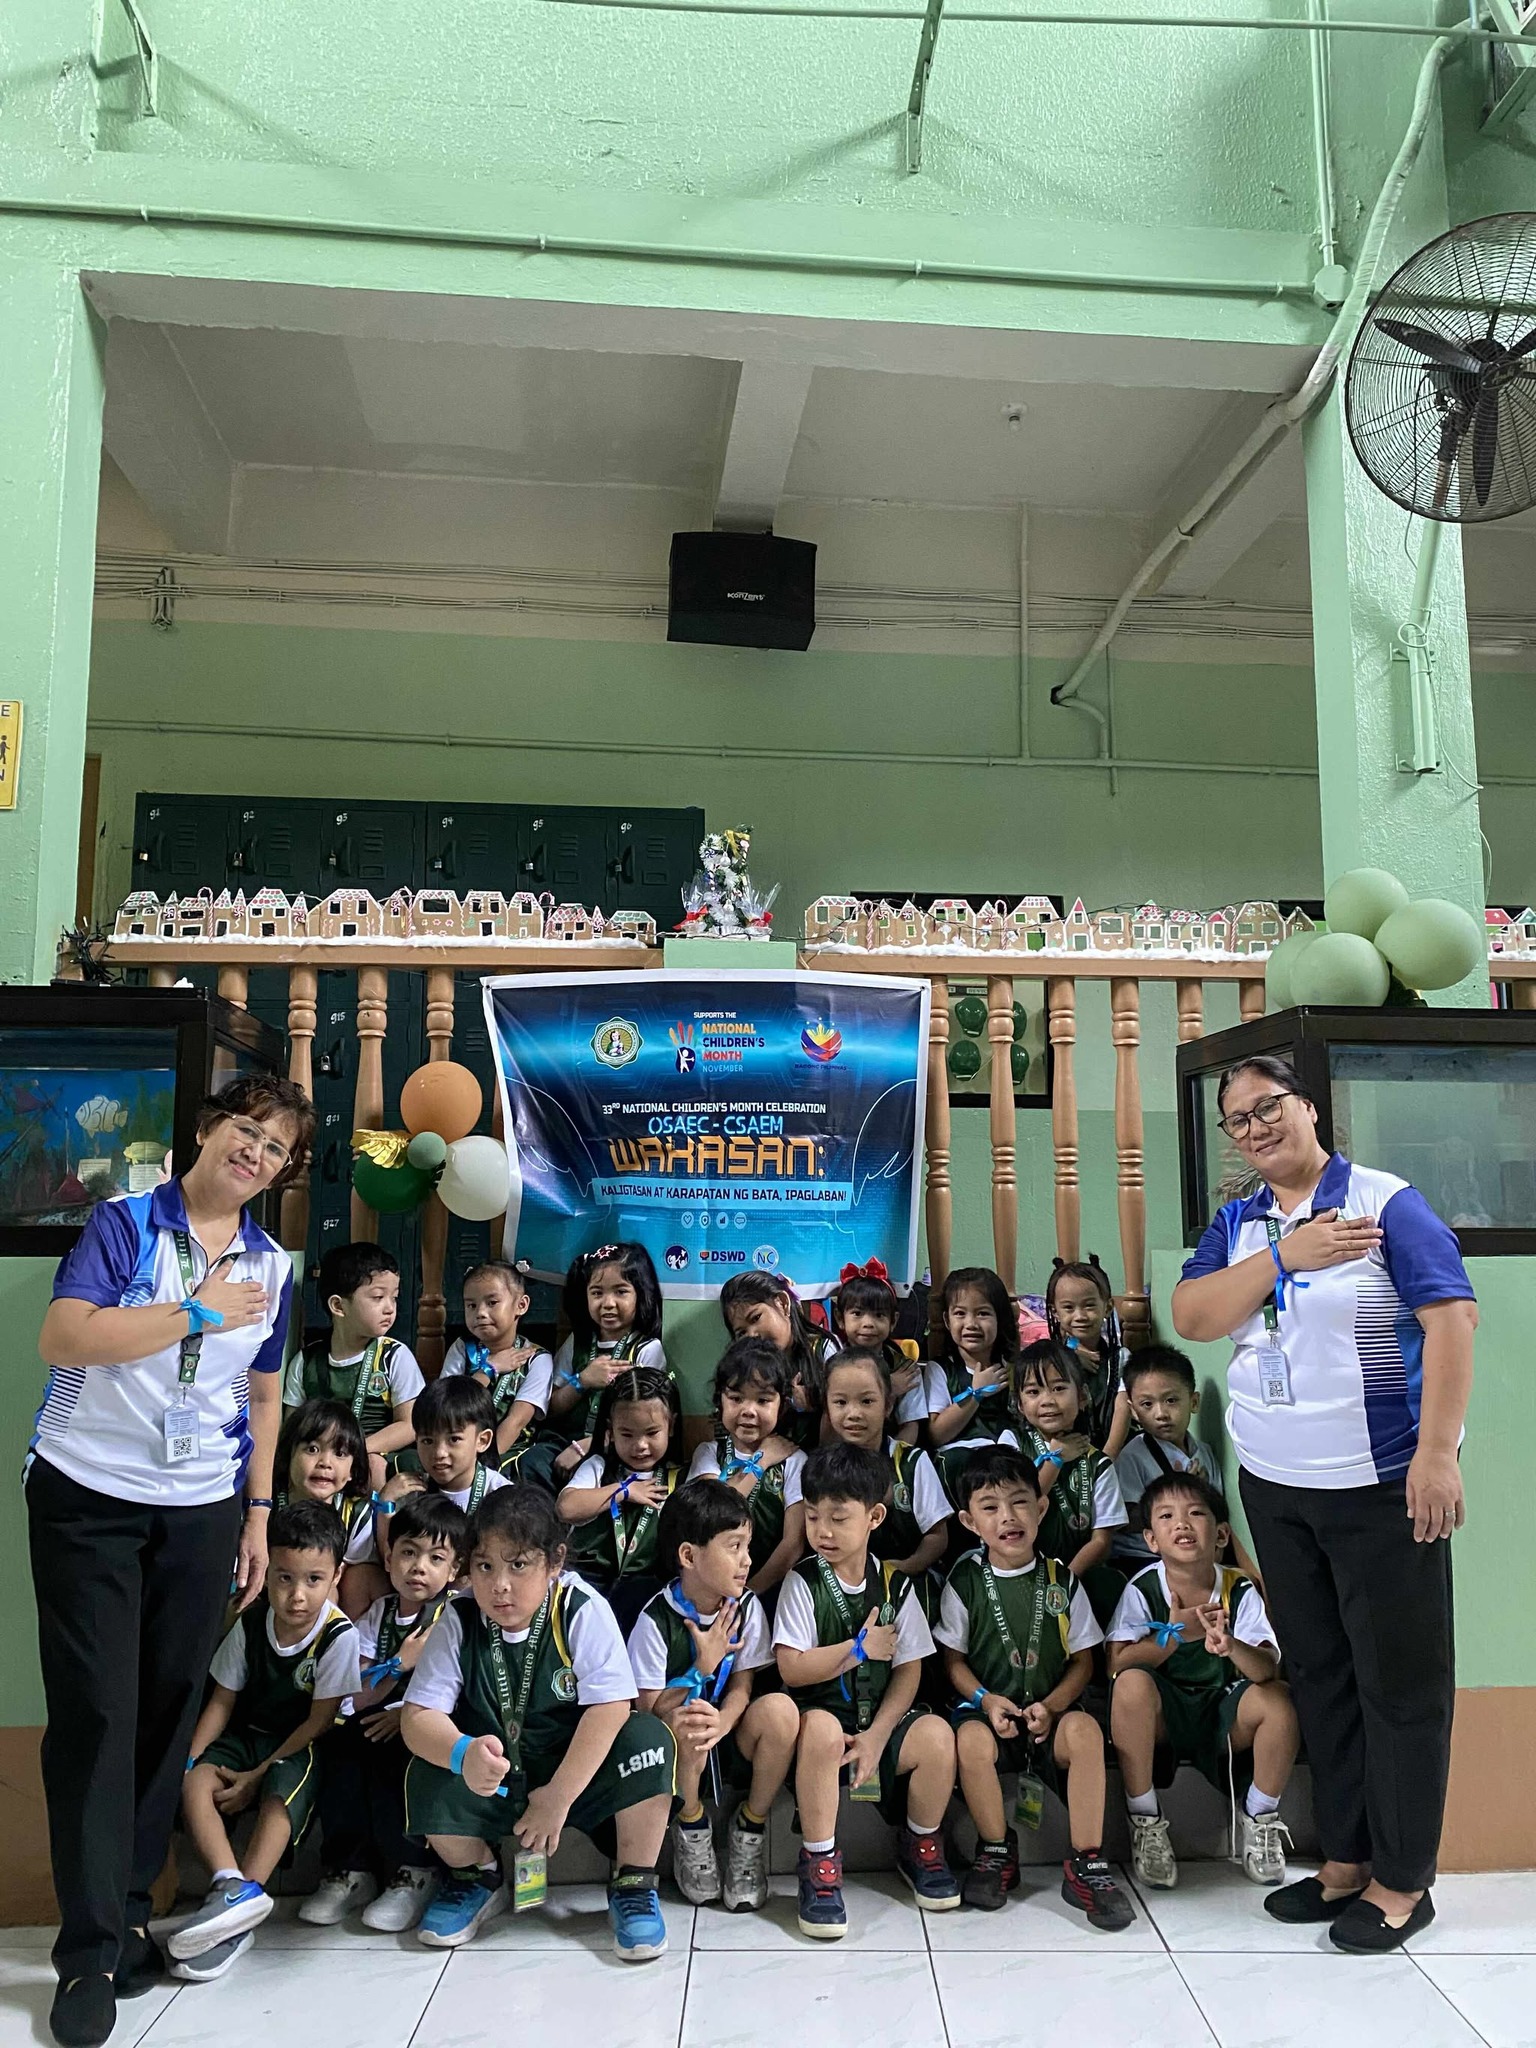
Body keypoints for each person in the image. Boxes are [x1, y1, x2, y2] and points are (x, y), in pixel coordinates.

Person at [29, 1072, 313, 2048]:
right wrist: (195, 1312)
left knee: (163, 1713)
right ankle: (85, 1950)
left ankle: (128, 1921)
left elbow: (265, 1398)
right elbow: (65, 1334)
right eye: (247, 1131)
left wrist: (258, 1515)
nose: (256, 1154)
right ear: (207, 1128)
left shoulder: (272, 1265)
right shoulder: (124, 1223)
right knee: (97, 1714)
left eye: (276, 1149)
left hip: (201, 1508)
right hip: (88, 1495)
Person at [1172, 1051, 1477, 1953]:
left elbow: (1452, 1322)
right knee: (1321, 1676)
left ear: (1309, 1106)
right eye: (1239, 1119)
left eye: (1269, 1106)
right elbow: (1194, 1315)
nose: (1257, 1127)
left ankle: (1403, 1880)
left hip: (1380, 1485)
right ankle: (1344, 1859)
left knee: (1401, 1686)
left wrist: (1437, 1456)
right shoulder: (1241, 1222)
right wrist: (1283, 1256)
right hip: (1277, 1487)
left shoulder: (1387, 1204)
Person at [400, 1487, 675, 1960]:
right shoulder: (459, 1617)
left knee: (649, 1740)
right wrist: (463, 1754)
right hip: (495, 1775)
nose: (499, 1585)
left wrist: (559, 1796)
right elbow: (417, 1716)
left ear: (555, 1562)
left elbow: (612, 1706)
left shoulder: (580, 1607)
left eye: (518, 1565)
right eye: (485, 1566)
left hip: (575, 1773)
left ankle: (633, 1882)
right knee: (426, 1765)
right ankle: (476, 1876)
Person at [935, 1446, 1133, 1928]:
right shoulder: (965, 1579)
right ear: (969, 1521)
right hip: (988, 1712)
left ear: (1041, 1508)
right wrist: (985, 1700)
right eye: (990, 1507)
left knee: (1086, 1733)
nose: (1008, 1517)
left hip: (1052, 1713)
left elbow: (1084, 1661)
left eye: (1020, 1502)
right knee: (969, 1740)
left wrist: (1054, 1705)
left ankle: (1086, 1862)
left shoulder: (1061, 1579)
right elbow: (953, 1662)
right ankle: (996, 1849)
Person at [168, 1501, 362, 1982]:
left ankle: (242, 1910)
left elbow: (318, 1722)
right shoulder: (252, 1623)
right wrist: (190, 1760)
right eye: (284, 1578)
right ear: (267, 1571)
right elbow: (222, 1702)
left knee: (280, 1797)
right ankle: (229, 1886)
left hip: (300, 1745)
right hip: (247, 1736)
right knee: (195, 1781)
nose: (297, 1595)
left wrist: (255, 1777)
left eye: (313, 1580)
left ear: (336, 1576)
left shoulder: (338, 1636)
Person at [773, 1444, 961, 1938]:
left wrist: (878, 1735)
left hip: (879, 1722)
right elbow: (792, 1667)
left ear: (874, 1517)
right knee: (820, 1730)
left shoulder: (895, 1584)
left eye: (838, 1518)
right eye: (813, 1517)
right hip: (824, 1723)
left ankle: (921, 1844)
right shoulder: (802, 1581)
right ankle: (819, 1862)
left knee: (937, 1737)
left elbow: (909, 1670)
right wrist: (857, 1650)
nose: (823, 1531)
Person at [1107, 1472, 1297, 1893]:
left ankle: (1260, 1816)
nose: (1182, 1524)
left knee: (1279, 1701)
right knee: (1131, 1685)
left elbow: (1267, 1668)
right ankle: (1145, 1819)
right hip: (1166, 1715)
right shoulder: (1143, 1587)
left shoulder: (1238, 1587)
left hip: (1223, 1712)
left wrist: (1231, 1646)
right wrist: (1174, 1635)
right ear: (1151, 1539)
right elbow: (1116, 1664)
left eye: (1195, 1513)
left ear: (1222, 1534)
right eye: (1166, 1516)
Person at [627, 1479, 800, 1909]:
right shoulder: (655, 1619)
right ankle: (691, 1826)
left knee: (780, 1711)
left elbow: (742, 1686)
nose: (747, 1560)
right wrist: (699, 1670)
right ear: (689, 1556)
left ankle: (750, 1828)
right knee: (690, 1720)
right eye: (734, 1547)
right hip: (677, 1747)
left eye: (747, 1546)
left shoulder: (746, 1607)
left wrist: (723, 1722)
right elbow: (649, 1712)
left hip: (728, 1732)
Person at [303, 1491, 467, 1933]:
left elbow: (461, 1692)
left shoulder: (455, 1614)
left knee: (403, 1751)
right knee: (340, 1742)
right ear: (389, 1557)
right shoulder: (380, 1612)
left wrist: (407, 1716)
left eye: (436, 1558)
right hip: (376, 1718)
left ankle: (416, 1870)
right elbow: (355, 1695)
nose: (419, 1567)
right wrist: (398, 1664)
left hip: (431, 1725)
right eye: (408, 1553)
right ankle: (351, 1870)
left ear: (455, 1569)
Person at [283, 1243, 423, 1488]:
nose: (390, 1308)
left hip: (373, 1457)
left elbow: (410, 1425)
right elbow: (292, 1429)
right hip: (322, 1461)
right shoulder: (306, 1362)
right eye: (378, 1297)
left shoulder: (394, 1356)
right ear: (338, 1306)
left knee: (375, 1465)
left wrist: (354, 1451)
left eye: (394, 1297)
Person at [556, 1366, 685, 1630]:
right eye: (627, 1434)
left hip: (646, 1591)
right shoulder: (598, 1467)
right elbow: (565, 1508)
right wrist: (623, 1491)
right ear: (610, 1431)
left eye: (652, 1433)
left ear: (670, 1426)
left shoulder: (679, 1477)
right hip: (589, 1582)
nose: (640, 1445)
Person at [1011, 1340, 1128, 1623]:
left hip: (1076, 1571)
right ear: (1020, 1404)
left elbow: (1101, 1541)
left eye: (1059, 1388)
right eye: (1033, 1391)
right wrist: (1056, 1459)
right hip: (1018, 1564)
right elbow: (1019, 1507)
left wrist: (1064, 1582)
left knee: (1108, 1585)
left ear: (1083, 1396)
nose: (1047, 1400)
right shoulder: (1011, 1444)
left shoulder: (1099, 1465)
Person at [821, 1349, 950, 1592]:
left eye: (867, 1401)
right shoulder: (821, 1469)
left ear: (888, 1405)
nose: (854, 1414)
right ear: (827, 1408)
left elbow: (937, 1536)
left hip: (908, 1581)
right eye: (840, 1402)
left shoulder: (912, 1462)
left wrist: (901, 1569)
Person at [687, 1339, 807, 1595]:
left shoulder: (794, 1461)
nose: (748, 1411)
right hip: (711, 1589)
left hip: (770, 1590)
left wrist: (749, 1594)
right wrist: (761, 1461)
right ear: (720, 1400)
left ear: (782, 1406)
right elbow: (709, 1515)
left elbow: (792, 1544)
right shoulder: (708, 1454)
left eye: (763, 1400)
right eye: (736, 1398)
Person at [542, 1244, 668, 1480]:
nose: (608, 1303)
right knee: (534, 1461)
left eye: (620, 1292)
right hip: (564, 1441)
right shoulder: (577, 1342)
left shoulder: (647, 1349)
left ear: (641, 1294)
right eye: (597, 1293)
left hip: (619, 1447)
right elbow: (551, 1407)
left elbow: (646, 1418)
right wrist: (582, 1381)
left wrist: (588, 1447)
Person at [1112, 1345, 1223, 1572]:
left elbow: (1218, 1509)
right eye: (1147, 1404)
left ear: (1193, 1402)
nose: (1161, 1414)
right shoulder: (1132, 1456)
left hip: (1192, 1553)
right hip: (1141, 1557)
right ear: (1133, 1411)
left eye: (1171, 1400)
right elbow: (1124, 1520)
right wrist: (1180, 1491)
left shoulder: (1204, 1453)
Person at [439, 1259, 554, 1478]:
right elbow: (446, 1405)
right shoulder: (463, 1348)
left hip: (509, 1452)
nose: (480, 1313)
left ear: (521, 1305)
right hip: (456, 1447)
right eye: (471, 1305)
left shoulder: (537, 1359)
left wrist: (484, 1466)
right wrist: (488, 1369)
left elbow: (517, 1421)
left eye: (492, 1303)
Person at [923, 1266, 1020, 1508]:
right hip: (958, 1464)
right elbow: (936, 1434)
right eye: (960, 1313)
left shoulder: (1013, 1369)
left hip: (1004, 1459)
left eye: (983, 1313)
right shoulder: (941, 1370)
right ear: (947, 1320)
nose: (971, 1324)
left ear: (1000, 1318)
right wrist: (975, 1393)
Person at [274, 1398, 376, 1598]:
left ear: (353, 1469)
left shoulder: (356, 1514)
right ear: (288, 1455)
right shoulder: (266, 1505)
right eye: (312, 1449)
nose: (325, 1463)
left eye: (340, 1453)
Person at [720, 1270, 836, 1446]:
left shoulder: (823, 1350)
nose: (753, 1335)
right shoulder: (745, 1366)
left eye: (756, 1318)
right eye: (742, 1333)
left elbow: (843, 1409)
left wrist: (815, 1402)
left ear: (782, 1303)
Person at [828, 1258, 925, 1442]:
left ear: (893, 1321)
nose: (868, 1323)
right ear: (840, 1318)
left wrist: (891, 1456)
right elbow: (827, 1426)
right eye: (857, 1314)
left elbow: (910, 1427)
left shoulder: (905, 1369)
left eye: (879, 1315)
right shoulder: (831, 1365)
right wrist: (888, 1388)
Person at [1044, 1255, 1132, 1457]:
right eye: (1068, 1307)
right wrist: (1069, 1356)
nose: (1080, 1316)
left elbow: (1123, 1408)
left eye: (1089, 1305)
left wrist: (1107, 1456)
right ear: (1055, 1312)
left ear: (1107, 1308)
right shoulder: (1048, 1358)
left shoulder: (1120, 1358)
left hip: (1110, 1452)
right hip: (1060, 1451)